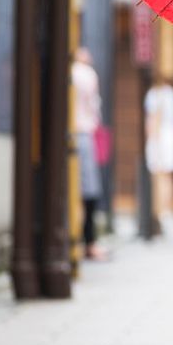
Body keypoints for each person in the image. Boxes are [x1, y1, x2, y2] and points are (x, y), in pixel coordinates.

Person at [71, 47, 108, 261]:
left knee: (76, 191)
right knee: (89, 192)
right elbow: (95, 107)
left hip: (69, 133)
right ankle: (89, 242)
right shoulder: (86, 74)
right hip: (84, 133)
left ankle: (78, 240)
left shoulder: (71, 72)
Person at [144, 75, 173, 229]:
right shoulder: (171, 93)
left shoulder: (155, 94)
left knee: (159, 175)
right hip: (171, 134)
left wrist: (153, 140)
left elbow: (154, 118)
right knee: (166, 176)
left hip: (161, 136)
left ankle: (161, 210)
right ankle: (166, 210)